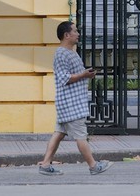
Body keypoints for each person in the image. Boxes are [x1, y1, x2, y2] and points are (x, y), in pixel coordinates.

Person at [37, 20, 110, 176]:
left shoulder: (71, 51)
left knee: (59, 133)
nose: (78, 34)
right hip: (71, 103)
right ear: (67, 35)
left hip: (71, 101)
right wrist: (83, 74)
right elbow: (64, 78)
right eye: (75, 31)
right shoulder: (61, 53)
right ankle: (93, 166)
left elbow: (74, 75)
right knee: (81, 136)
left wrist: (85, 75)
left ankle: (45, 164)